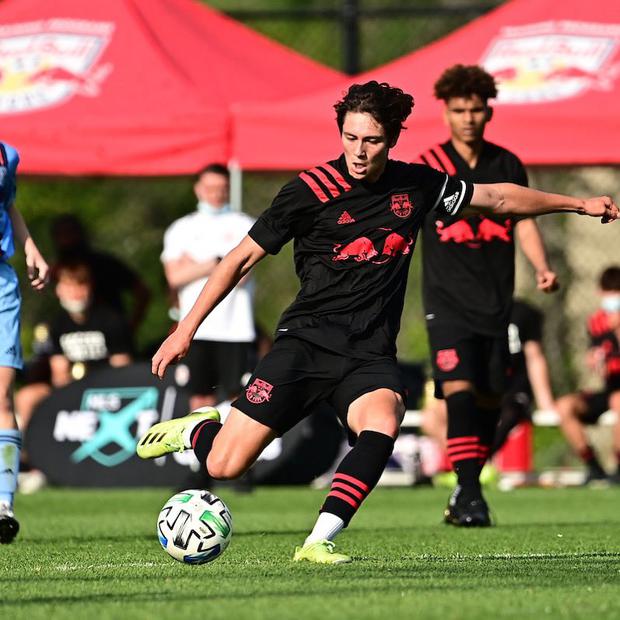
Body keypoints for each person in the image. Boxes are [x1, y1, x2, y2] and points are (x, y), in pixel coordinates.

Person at [137, 80, 617, 564]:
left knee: (383, 421)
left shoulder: (417, 183)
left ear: (391, 140)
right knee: (224, 464)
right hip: (305, 344)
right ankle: (198, 429)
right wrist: (185, 330)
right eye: (349, 137)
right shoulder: (309, 190)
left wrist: (577, 203)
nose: (359, 151)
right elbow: (240, 260)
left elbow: (497, 199)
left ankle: (318, 540)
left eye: (371, 140)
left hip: (368, 354)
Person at [413, 65, 559, 526]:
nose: (468, 118)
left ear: (488, 111)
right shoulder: (428, 165)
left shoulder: (507, 164)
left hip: (496, 301)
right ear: (446, 114)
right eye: (459, 110)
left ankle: (463, 490)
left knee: (491, 397)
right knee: (458, 391)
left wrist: (541, 267)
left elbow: (524, 218)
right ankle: (472, 492)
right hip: (446, 300)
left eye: (476, 109)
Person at [160, 164, 256, 410]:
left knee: (239, 396)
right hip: (196, 329)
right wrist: (218, 263)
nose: (215, 194)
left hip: (235, 329)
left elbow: (243, 273)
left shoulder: (243, 224)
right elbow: (174, 276)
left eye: (222, 188)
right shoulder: (181, 228)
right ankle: (198, 445)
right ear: (198, 189)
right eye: (210, 188)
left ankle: (235, 448)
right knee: (200, 396)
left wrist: (197, 265)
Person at [422, 299, 555, 470]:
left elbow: (534, 357)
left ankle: (478, 465)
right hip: (478, 384)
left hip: (512, 390)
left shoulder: (523, 313)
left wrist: (545, 402)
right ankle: (464, 467)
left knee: (504, 412)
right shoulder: (466, 311)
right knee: (436, 416)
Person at [15, 257, 133, 435]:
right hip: (71, 389)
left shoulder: (110, 320)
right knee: (26, 397)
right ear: (58, 290)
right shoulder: (57, 324)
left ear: (90, 287)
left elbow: (123, 368)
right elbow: (59, 373)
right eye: (68, 286)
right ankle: (28, 454)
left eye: (79, 285)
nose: (75, 293)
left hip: (107, 390)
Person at [0, 140, 49, 543]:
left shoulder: (7, 154)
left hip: (2, 284)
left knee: (1, 396)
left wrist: (30, 246)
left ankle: (3, 503)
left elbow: (9, 203)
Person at [556, 266, 620, 485]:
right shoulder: (596, 321)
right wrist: (594, 360)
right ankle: (594, 467)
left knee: (618, 400)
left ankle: (618, 468)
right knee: (565, 406)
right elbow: (597, 353)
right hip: (610, 387)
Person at [50, 214, 150, 334]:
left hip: (113, 337)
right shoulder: (55, 270)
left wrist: (131, 327)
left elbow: (142, 292)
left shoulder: (105, 264)